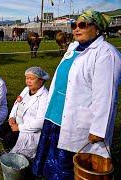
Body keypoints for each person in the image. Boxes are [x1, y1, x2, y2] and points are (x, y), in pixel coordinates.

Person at [32, 10, 121, 179]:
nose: (76, 29)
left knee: (68, 162)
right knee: (50, 155)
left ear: (97, 28)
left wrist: (98, 129)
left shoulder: (106, 54)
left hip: (77, 119)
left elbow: (106, 96)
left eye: (82, 25)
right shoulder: (73, 47)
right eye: (74, 25)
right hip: (55, 113)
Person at [0, 67, 49, 160]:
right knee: (1, 129)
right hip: (16, 122)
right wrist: (11, 117)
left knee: (9, 138)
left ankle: (13, 153)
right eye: (27, 78)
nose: (28, 81)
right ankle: (8, 149)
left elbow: (41, 122)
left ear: (41, 81)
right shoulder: (26, 89)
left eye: (32, 79)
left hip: (28, 129)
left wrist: (19, 127)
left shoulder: (44, 97)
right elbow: (16, 104)